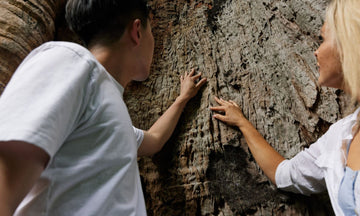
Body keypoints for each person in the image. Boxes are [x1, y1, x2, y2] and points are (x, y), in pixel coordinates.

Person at [0, 0, 207, 215]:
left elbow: (154, 139)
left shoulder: (107, 106)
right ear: (137, 31)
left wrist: (183, 98)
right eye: (151, 31)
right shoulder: (71, 61)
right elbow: (7, 170)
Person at [211, 0, 360, 215]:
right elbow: (284, 174)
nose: (316, 51)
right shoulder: (340, 137)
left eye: (323, 39)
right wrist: (243, 124)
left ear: (349, 43)